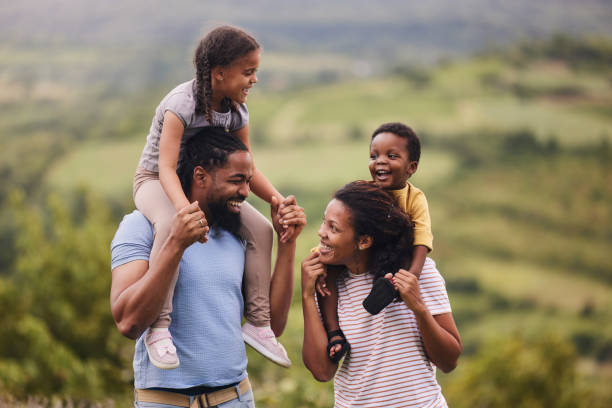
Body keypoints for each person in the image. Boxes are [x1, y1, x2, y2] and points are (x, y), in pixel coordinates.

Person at [133, 25, 298, 369]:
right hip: (156, 181)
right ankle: (159, 328)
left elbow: (247, 172)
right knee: (168, 225)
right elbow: (164, 168)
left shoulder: (237, 111)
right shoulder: (181, 104)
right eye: (248, 72)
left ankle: (258, 323)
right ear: (219, 73)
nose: (254, 80)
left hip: (200, 185)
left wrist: (277, 201)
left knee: (263, 230)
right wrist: (184, 211)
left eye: (256, 72)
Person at [111, 128, 305, 407]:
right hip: (164, 401)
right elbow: (127, 322)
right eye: (236, 181)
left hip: (235, 398)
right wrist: (175, 244)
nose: (246, 192)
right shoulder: (141, 227)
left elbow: (272, 326)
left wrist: (287, 244)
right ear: (200, 176)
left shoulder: (241, 234)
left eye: (249, 181)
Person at [302, 181, 461, 408]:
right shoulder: (328, 285)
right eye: (323, 223)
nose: (321, 233)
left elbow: (449, 362)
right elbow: (322, 371)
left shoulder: (418, 272)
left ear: (364, 241)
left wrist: (418, 308)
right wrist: (307, 295)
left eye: (333, 228)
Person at [317, 122, 434, 362]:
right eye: (374, 155)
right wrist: (321, 256)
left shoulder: (415, 198)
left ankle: (387, 288)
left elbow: (422, 238)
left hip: (397, 254)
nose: (380, 161)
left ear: (411, 167)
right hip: (363, 251)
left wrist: (413, 276)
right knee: (327, 272)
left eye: (391, 156)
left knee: (399, 261)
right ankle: (334, 331)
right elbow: (344, 228)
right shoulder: (367, 193)